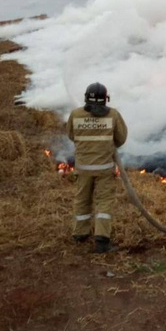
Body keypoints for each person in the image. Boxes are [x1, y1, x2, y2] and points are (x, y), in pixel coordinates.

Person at [66, 82, 128, 253]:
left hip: (83, 169)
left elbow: (72, 135)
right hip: (104, 169)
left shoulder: (76, 114)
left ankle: (80, 234)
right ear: (105, 99)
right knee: (104, 203)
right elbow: (121, 139)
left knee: (82, 199)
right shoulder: (113, 115)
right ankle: (102, 240)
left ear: (86, 98)